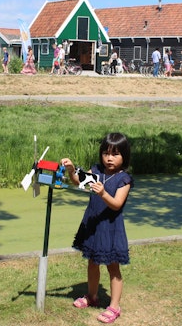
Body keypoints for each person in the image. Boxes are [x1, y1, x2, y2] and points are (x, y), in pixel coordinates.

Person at [61, 133, 133, 324]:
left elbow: (117, 204)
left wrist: (102, 193)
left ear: (124, 156)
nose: (109, 158)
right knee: (92, 262)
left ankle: (114, 306)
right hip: (93, 225)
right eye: (106, 153)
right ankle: (92, 297)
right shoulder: (97, 171)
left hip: (110, 228)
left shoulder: (124, 179)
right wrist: (71, 169)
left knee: (113, 267)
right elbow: (78, 181)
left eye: (115, 154)